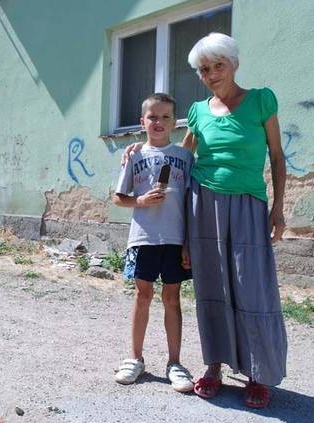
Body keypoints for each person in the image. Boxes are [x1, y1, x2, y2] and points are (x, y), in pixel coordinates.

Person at [123, 33, 287, 409]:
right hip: (203, 205)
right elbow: (180, 156)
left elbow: (277, 158)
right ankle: (213, 367)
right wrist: (140, 149)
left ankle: (257, 373)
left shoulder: (262, 100)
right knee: (212, 288)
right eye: (204, 69)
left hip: (248, 204)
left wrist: (277, 208)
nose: (212, 74)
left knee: (252, 288)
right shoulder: (198, 110)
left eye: (218, 65)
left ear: (234, 64)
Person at [113, 93, 195, 392]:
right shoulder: (133, 155)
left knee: (172, 299)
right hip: (143, 237)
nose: (158, 122)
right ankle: (135, 358)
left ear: (175, 122)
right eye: (152, 117)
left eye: (164, 117)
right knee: (142, 295)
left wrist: (188, 243)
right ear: (142, 122)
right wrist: (141, 200)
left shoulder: (186, 157)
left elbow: (191, 203)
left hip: (175, 238)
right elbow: (118, 198)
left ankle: (175, 362)